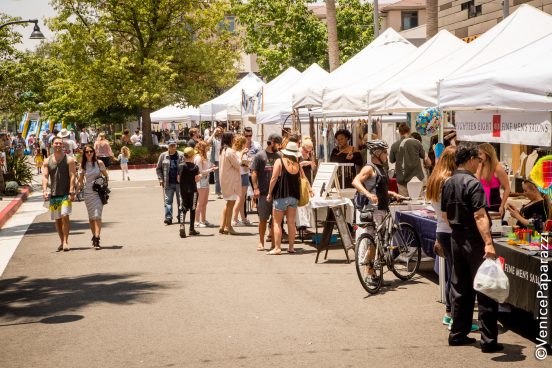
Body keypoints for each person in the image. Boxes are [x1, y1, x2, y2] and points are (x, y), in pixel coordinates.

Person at [441, 145, 501, 353]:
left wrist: (458, 231)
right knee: (486, 288)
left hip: (456, 238)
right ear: (469, 159)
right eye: (479, 159)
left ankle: (457, 334)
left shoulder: (448, 182)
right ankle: (488, 340)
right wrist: (488, 242)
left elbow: (444, 215)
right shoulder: (472, 183)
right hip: (473, 239)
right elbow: (480, 215)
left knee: (460, 288)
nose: (480, 163)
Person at [351, 140, 404, 284]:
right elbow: (356, 182)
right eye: (385, 152)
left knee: (377, 240)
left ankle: (372, 273)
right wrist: (368, 195)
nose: (387, 155)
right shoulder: (370, 168)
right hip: (373, 209)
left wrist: (391, 193)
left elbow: (378, 187)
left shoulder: (380, 167)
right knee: (374, 240)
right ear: (378, 153)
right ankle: (369, 270)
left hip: (381, 207)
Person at [266, 141, 313, 255]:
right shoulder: (297, 163)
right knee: (291, 222)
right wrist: (310, 189)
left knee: (277, 222)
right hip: (294, 196)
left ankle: (277, 248)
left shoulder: (280, 161)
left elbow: (273, 178)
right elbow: (304, 177)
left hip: (281, 195)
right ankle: (291, 247)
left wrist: (269, 193)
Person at [42, 136, 77, 252]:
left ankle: (66, 241)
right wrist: (45, 190)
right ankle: (61, 241)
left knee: (65, 216)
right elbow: (45, 176)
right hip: (54, 194)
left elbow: (73, 175)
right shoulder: (47, 161)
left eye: (60, 143)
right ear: (52, 145)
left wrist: (72, 190)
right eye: (56, 143)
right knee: (57, 219)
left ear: (63, 145)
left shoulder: (69, 159)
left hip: (66, 194)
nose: (58, 145)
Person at [251, 133, 282, 251]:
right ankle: (261, 241)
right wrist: (255, 188)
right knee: (263, 219)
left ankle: (274, 243)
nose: (279, 147)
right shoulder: (260, 156)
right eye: (278, 144)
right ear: (272, 142)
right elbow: (254, 172)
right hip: (263, 193)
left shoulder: (279, 156)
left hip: (277, 193)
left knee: (276, 220)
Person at [77, 145, 109, 249]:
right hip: (88, 193)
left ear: (94, 152)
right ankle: (94, 237)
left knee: (97, 216)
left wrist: (103, 182)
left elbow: (106, 175)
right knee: (91, 217)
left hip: (98, 193)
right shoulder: (83, 165)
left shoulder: (99, 163)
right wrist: (75, 191)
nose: (89, 153)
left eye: (91, 151)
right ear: (84, 153)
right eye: (87, 152)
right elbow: (81, 181)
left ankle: (97, 238)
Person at [389, 123, 426, 197]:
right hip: (416, 179)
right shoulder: (417, 143)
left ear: (399, 132)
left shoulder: (394, 145)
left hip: (402, 179)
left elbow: (391, 160)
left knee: (404, 203)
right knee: (417, 202)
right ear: (409, 131)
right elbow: (423, 156)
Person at [476, 143, 511, 217]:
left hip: (495, 206)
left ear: (488, 154)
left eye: (480, 154)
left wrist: (502, 206)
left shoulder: (497, 168)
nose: (478, 156)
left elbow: (507, 188)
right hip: (481, 206)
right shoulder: (479, 166)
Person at [218, 132, 241, 235]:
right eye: (233, 138)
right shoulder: (230, 151)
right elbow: (237, 164)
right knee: (231, 203)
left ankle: (223, 225)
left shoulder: (223, 150)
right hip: (230, 179)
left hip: (225, 178)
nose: (234, 139)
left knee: (228, 203)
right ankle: (228, 226)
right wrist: (241, 156)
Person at [156, 140, 184, 225]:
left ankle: (180, 217)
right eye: (171, 145)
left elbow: (185, 167)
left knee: (181, 201)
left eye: (174, 145)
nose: (173, 147)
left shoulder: (181, 155)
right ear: (167, 146)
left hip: (180, 183)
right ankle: (168, 218)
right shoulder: (163, 156)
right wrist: (161, 179)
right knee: (168, 201)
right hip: (168, 182)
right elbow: (158, 168)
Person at [177, 147, 201, 238]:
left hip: (183, 190)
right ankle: (191, 229)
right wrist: (200, 176)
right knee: (193, 208)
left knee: (183, 207)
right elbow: (197, 179)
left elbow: (178, 179)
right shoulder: (195, 167)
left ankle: (182, 225)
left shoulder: (180, 166)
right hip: (193, 190)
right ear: (192, 156)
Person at [194, 141, 216, 227]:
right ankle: (196, 221)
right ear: (203, 148)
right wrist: (210, 170)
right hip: (201, 180)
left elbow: (207, 166)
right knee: (200, 202)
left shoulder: (204, 157)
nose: (208, 148)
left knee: (205, 202)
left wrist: (212, 166)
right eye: (207, 147)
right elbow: (199, 171)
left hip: (206, 180)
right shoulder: (198, 158)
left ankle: (203, 219)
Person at [231, 135, 251, 226]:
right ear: (243, 143)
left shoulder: (234, 152)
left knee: (241, 199)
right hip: (243, 176)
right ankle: (235, 219)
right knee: (240, 199)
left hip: (237, 176)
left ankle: (243, 218)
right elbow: (245, 167)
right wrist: (248, 164)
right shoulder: (241, 153)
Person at [207, 127, 223, 198]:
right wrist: (213, 133)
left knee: (223, 176)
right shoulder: (214, 139)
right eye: (217, 131)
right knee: (217, 177)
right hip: (216, 160)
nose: (219, 132)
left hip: (223, 159)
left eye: (220, 131)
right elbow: (207, 142)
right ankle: (218, 192)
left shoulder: (224, 139)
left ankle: (224, 191)